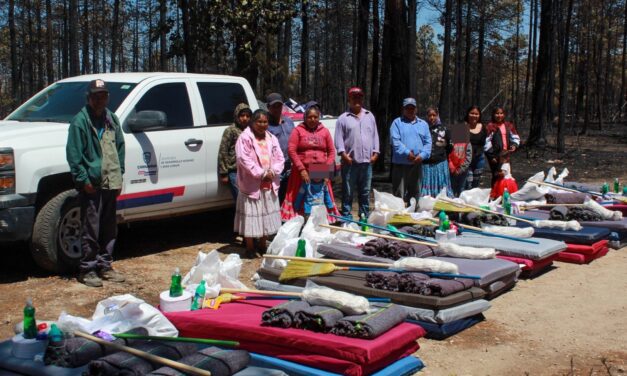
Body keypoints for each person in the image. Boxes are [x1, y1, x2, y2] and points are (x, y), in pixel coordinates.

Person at [66, 79, 125, 287]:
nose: (100, 99)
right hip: (92, 183)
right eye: (96, 96)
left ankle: (105, 266)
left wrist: (120, 175)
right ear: (89, 98)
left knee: (109, 227)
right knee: (91, 228)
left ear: (107, 97)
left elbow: (119, 148)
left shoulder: (112, 119)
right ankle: (87, 269)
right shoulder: (80, 121)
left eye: (104, 95)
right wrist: (83, 180)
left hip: (111, 181)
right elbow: (74, 155)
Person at [234, 109, 284, 258]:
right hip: (252, 183)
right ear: (253, 122)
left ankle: (262, 244)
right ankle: (250, 247)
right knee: (251, 215)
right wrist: (261, 173)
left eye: (265, 122)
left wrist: (272, 172)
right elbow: (244, 159)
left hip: (269, 182)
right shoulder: (244, 138)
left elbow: (279, 157)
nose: (262, 125)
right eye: (259, 122)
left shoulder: (271, 138)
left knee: (266, 214)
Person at [281, 106, 340, 222]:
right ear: (305, 118)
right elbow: (291, 150)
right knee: (301, 195)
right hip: (302, 170)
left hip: (321, 169)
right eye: (309, 117)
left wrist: (327, 171)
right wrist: (301, 169)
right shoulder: (298, 130)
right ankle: (299, 220)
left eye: (315, 117)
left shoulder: (325, 131)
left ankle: (320, 219)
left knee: (321, 195)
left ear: (319, 118)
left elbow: (332, 151)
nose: (312, 119)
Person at [335, 87, 380, 219]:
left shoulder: (369, 116)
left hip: (367, 162)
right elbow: (338, 139)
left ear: (362, 98)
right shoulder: (343, 118)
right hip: (350, 162)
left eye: (359, 96)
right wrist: (343, 155)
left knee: (365, 192)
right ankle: (347, 218)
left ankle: (364, 217)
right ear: (349, 99)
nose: (357, 99)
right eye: (354, 97)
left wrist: (376, 153)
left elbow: (375, 136)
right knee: (348, 192)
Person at [390, 98, 432, 203]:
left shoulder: (423, 124)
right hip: (401, 164)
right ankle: (398, 216)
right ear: (403, 109)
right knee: (398, 193)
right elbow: (395, 141)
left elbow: (428, 143)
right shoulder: (397, 123)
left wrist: (422, 155)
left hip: (417, 164)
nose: (410, 110)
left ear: (416, 109)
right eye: (407, 108)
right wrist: (407, 153)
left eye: (412, 108)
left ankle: (413, 215)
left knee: (415, 193)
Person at [218, 103, 252, 200]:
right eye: (242, 115)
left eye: (248, 116)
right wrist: (223, 173)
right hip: (234, 171)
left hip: (248, 171)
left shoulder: (250, 130)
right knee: (240, 199)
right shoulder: (230, 130)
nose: (245, 118)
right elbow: (223, 152)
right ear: (236, 115)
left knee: (249, 199)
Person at [266, 93, 295, 204]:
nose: (277, 109)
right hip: (275, 165)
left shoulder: (289, 121)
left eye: (279, 106)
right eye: (274, 106)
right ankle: (275, 219)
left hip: (290, 163)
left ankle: (285, 218)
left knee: (288, 193)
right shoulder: (265, 124)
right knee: (274, 195)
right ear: (268, 107)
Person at [485, 106, 520, 194]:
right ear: (493, 114)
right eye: (497, 113)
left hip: (506, 155)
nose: (499, 115)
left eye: (501, 113)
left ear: (504, 114)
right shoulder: (490, 126)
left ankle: (505, 194)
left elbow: (515, 137)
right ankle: (495, 195)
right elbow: (486, 142)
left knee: (507, 175)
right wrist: (491, 155)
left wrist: (514, 145)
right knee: (497, 175)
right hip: (495, 156)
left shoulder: (508, 125)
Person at [421, 107, 451, 197]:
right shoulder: (423, 129)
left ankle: (442, 204)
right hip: (426, 164)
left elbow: (450, 146)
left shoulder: (445, 129)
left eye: (434, 115)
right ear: (426, 117)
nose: (432, 117)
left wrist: (441, 154)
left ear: (437, 115)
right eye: (430, 115)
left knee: (441, 187)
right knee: (427, 189)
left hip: (440, 164)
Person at [465, 105, 487, 189]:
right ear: (468, 114)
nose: (474, 115)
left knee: (476, 183)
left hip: (479, 159)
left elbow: (486, 143)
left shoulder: (483, 127)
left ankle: (473, 201)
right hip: (466, 160)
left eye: (476, 114)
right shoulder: (461, 126)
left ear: (479, 115)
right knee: (468, 182)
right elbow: (457, 148)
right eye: (472, 113)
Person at [448, 120, 473, 197]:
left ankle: (460, 203)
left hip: (463, 171)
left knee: (462, 188)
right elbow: (448, 155)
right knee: (452, 188)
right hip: (452, 171)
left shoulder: (467, 143)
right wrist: (452, 168)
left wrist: (460, 169)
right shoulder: (451, 142)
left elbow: (469, 157)